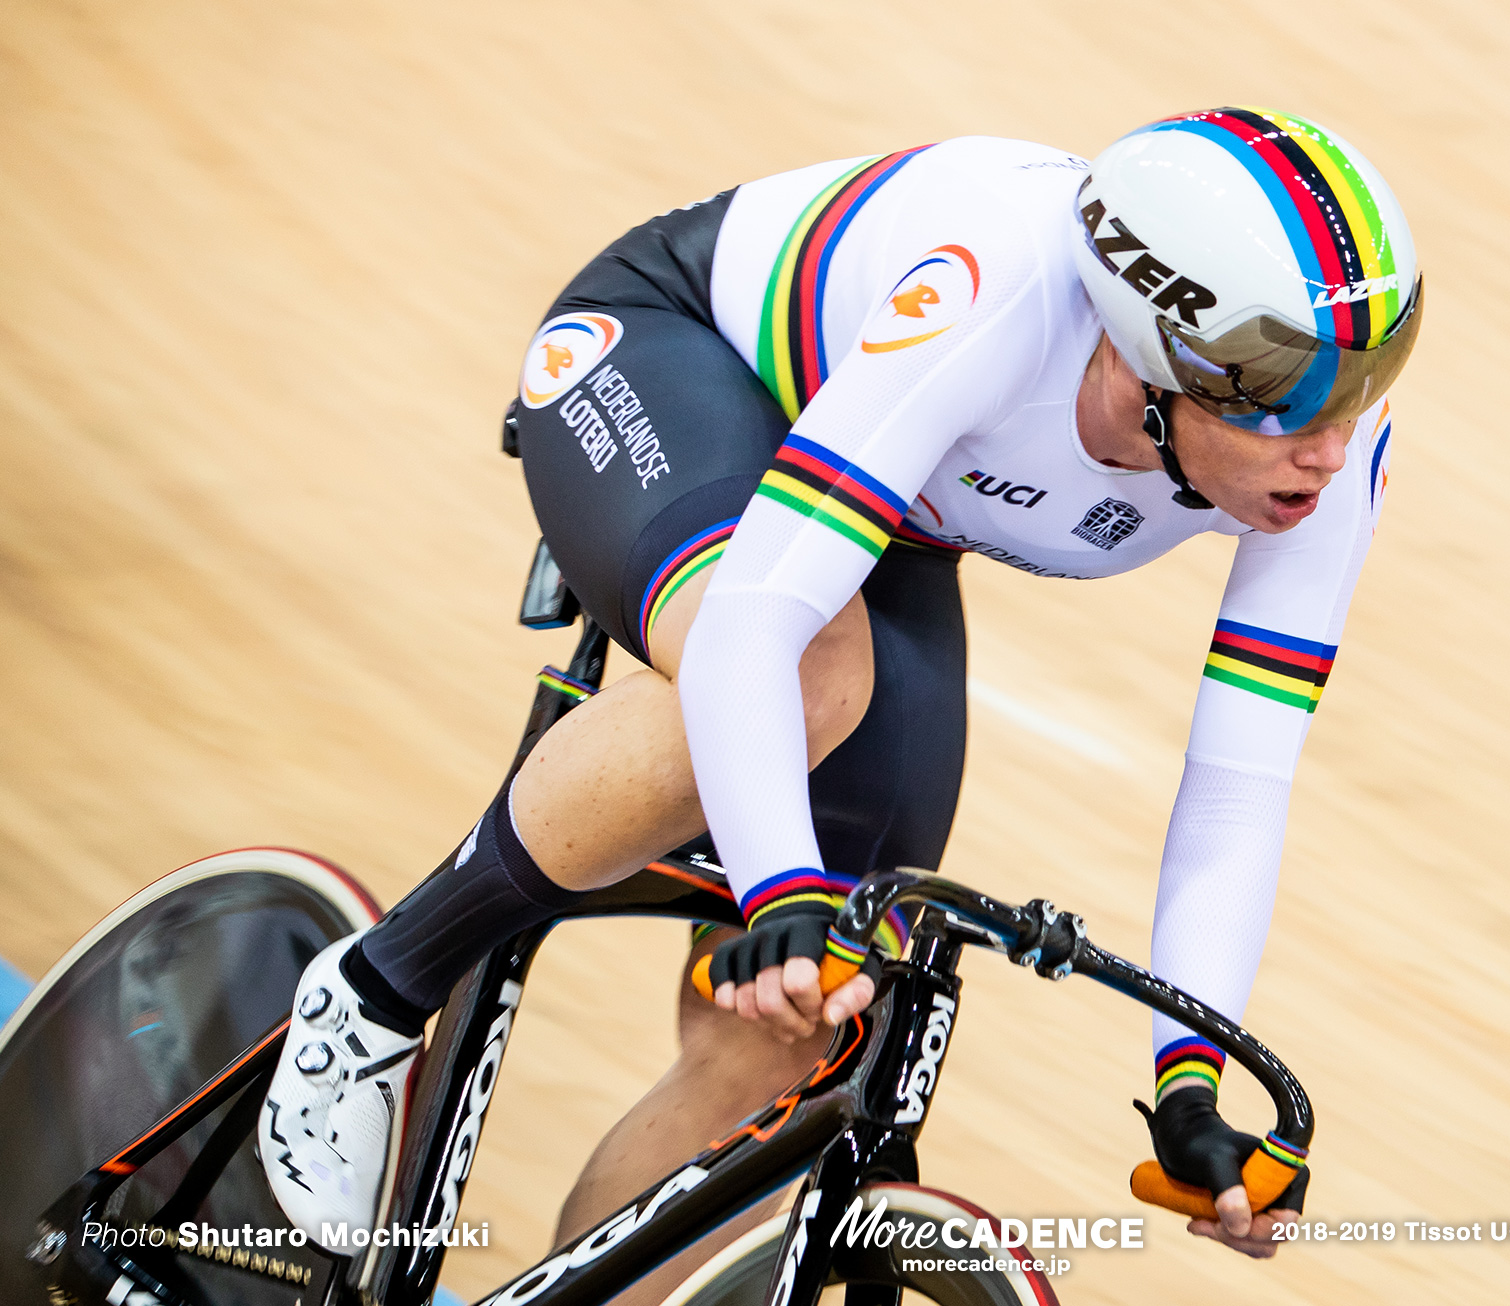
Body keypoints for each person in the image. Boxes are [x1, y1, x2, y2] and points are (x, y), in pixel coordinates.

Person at [256, 106, 1422, 1284]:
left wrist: (1187, 1077)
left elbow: (1237, 783)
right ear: (1152, 359)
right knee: (810, 677)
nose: (1328, 446)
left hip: (883, 510)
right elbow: (758, 625)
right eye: (1287, 398)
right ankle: (371, 994)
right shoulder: (1001, 290)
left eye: (1361, 384)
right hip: (674, 360)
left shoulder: (1327, 451)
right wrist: (778, 885)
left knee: (805, 1025)